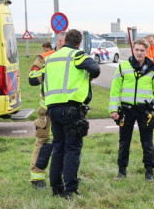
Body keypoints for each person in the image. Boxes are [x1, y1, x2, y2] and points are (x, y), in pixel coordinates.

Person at [43, 29, 100, 199]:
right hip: (71, 108)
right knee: (72, 149)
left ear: (65, 40)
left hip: (52, 108)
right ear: (79, 43)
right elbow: (95, 69)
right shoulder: (77, 55)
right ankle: (70, 189)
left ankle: (56, 187)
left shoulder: (51, 58)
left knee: (58, 147)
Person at [109, 37, 154, 182]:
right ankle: (121, 172)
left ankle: (149, 172)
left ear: (147, 51)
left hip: (145, 111)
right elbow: (115, 90)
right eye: (137, 50)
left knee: (147, 143)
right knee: (124, 142)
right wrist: (113, 110)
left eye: (142, 50)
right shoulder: (123, 67)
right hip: (126, 111)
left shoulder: (153, 69)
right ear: (133, 50)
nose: (139, 53)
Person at [28, 34, 65, 188]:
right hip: (47, 108)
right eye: (62, 41)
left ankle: (66, 174)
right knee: (43, 141)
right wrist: (49, 71)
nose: (64, 44)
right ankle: (37, 177)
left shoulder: (75, 57)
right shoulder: (45, 57)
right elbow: (31, 78)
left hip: (66, 107)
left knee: (67, 142)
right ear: (58, 41)